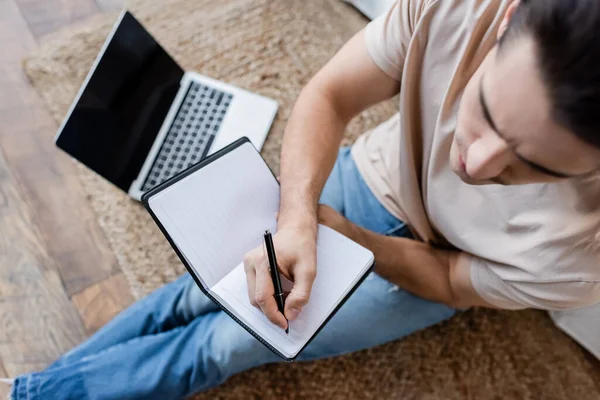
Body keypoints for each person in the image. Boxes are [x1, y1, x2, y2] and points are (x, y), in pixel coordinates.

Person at [3, 0, 600, 398]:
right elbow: (331, 94)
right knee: (208, 284)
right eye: (486, 110)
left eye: (534, 165)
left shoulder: (583, 255)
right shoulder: (460, 9)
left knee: (225, 346)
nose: (474, 163)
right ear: (505, 21)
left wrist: (353, 239)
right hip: (374, 175)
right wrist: (297, 218)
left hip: (440, 267)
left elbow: (447, 280)